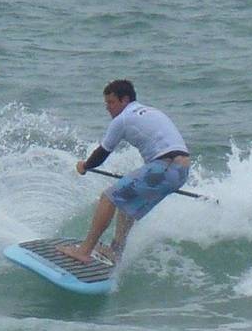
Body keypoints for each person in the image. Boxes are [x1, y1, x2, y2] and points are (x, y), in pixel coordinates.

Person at [58, 80, 190, 263]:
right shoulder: (151, 111)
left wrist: (85, 166)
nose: (108, 108)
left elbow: (102, 153)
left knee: (108, 197)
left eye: (111, 103)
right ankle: (116, 251)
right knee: (126, 202)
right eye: (106, 104)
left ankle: (84, 251)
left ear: (125, 100)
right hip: (181, 171)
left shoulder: (123, 119)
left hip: (164, 167)